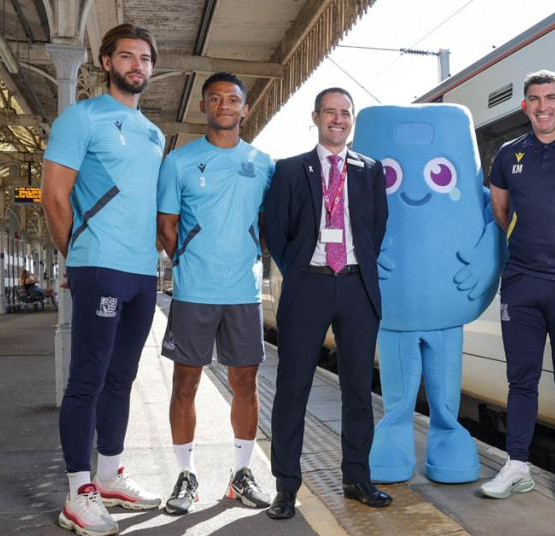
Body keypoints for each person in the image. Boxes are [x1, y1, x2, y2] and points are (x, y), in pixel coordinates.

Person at [42, 23, 165, 536]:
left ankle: (111, 474)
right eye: (127, 57)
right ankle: (78, 491)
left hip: (142, 271)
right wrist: (79, 259)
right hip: (99, 265)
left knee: (122, 377)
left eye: (144, 58)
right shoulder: (82, 117)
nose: (137, 65)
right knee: (88, 379)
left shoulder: (155, 133)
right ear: (105, 60)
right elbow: (54, 196)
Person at [263, 87, 391, 519]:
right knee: (292, 389)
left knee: (358, 390)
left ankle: (357, 478)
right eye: (330, 112)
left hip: (357, 286)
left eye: (345, 113)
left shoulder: (370, 171)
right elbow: (277, 233)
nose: (338, 119)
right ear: (315, 117)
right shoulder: (290, 170)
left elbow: (376, 228)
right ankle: (285, 487)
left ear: (351, 120)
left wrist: (354, 265)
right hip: (309, 286)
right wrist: (302, 268)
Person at [156, 72, 275, 515]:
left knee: (246, 382)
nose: (225, 105)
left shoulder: (264, 162)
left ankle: (240, 475)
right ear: (204, 107)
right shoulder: (179, 162)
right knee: (184, 382)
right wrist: (190, 261)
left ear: (245, 109)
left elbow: (269, 224)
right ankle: (185, 475)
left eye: (233, 99)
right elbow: (166, 225)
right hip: (193, 293)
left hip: (243, 292)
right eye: (216, 98)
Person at [478, 70, 555, 500]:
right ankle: (518, 465)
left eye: (550, 98)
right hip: (522, 283)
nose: (542, 106)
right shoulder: (509, 155)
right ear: (524, 105)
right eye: (534, 99)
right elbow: (501, 212)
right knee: (520, 379)